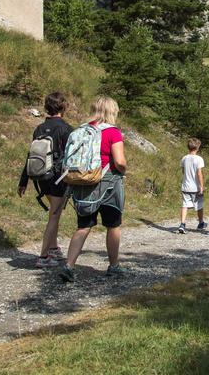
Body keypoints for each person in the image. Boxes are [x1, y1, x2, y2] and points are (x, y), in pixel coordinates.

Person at [60, 96, 127, 282]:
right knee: (113, 225)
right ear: (111, 111)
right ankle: (114, 266)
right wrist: (124, 170)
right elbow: (119, 161)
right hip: (109, 183)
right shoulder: (113, 132)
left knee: (83, 226)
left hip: (83, 182)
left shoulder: (81, 129)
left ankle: (69, 265)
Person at [18, 91, 73, 268]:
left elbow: (31, 154)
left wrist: (23, 181)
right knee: (55, 215)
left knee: (53, 211)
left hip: (41, 176)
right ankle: (43, 257)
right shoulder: (66, 129)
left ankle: (54, 248)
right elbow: (71, 156)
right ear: (64, 107)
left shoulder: (39, 128)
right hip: (58, 177)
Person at [177, 138, 206, 234]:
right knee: (199, 205)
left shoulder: (184, 158)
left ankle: (182, 224)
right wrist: (201, 186)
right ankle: (201, 222)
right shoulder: (199, 159)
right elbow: (199, 174)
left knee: (185, 205)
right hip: (195, 187)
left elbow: (183, 171)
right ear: (197, 147)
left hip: (186, 186)